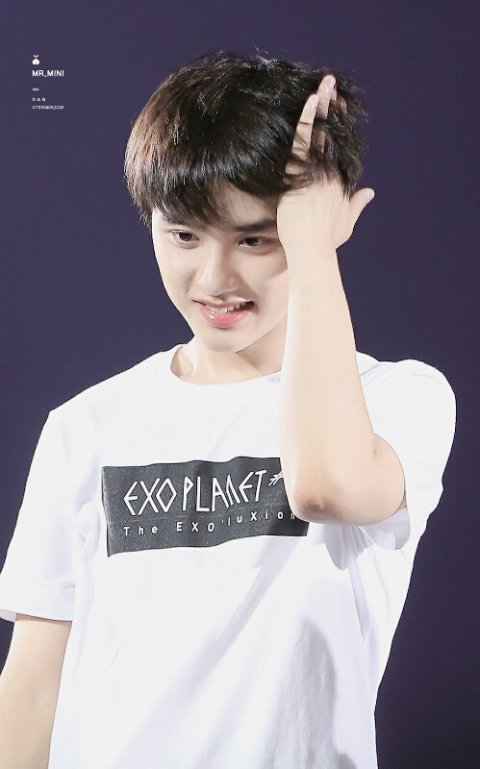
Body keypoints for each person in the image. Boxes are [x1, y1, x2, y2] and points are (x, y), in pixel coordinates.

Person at [0, 51, 456, 769]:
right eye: (183, 234)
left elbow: (326, 487)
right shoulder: (84, 425)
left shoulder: (398, 399)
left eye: (256, 238)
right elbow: (32, 689)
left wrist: (312, 249)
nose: (214, 278)